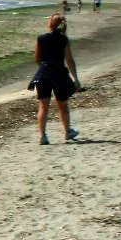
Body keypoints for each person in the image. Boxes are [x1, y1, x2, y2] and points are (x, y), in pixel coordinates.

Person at [31, 14, 81, 145]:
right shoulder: (63, 39)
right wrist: (76, 79)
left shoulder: (41, 38)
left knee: (43, 106)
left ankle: (43, 136)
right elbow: (69, 60)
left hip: (44, 74)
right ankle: (67, 132)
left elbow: (37, 59)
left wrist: (45, 68)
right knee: (63, 106)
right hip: (59, 74)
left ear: (50, 24)